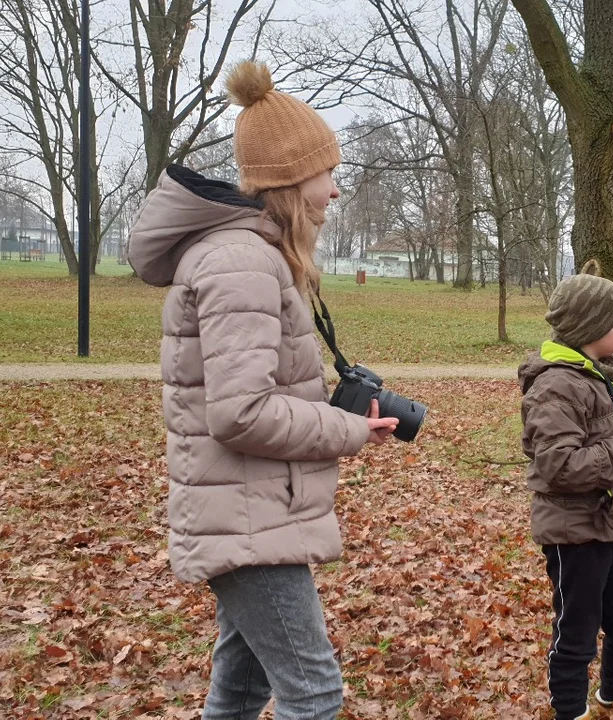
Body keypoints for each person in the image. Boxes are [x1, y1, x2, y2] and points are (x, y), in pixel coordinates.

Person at [127, 60, 398, 719]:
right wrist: (349, 431)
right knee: (315, 694)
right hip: (245, 520)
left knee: (242, 692)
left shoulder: (251, 254)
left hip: (251, 516)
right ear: (289, 178)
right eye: (326, 173)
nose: (335, 192)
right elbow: (240, 412)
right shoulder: (240, 261)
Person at [518, 271, 613, 720]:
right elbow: (559, 466)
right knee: (576, 637)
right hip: (574, 534)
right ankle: (569, 712)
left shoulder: (600, 375)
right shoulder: (556, 385)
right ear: (591, 326)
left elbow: (599, 446)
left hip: (612, 523)